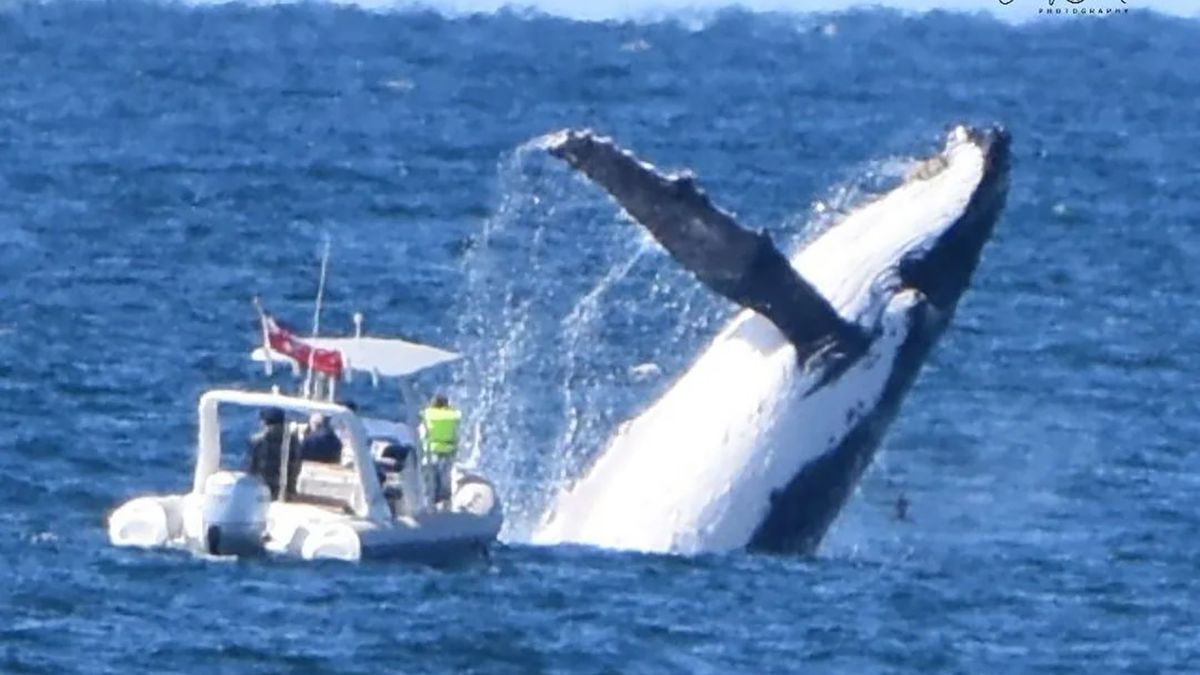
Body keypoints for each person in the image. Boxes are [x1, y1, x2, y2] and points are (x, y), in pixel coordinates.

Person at [247, 407, 299, 500]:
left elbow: (251, 468)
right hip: (286, 491)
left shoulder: (257, 441)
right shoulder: (293, 441)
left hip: (261, 490)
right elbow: (296, 466)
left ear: (265, 422)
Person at [420, 394, 462, 507]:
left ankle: (430, 503)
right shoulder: (453, 415)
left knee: (430, 479)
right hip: (448, 450)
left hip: (431, 451)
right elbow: (458, 416)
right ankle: (445, 504)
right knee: (445, 479)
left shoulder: (428, 414)